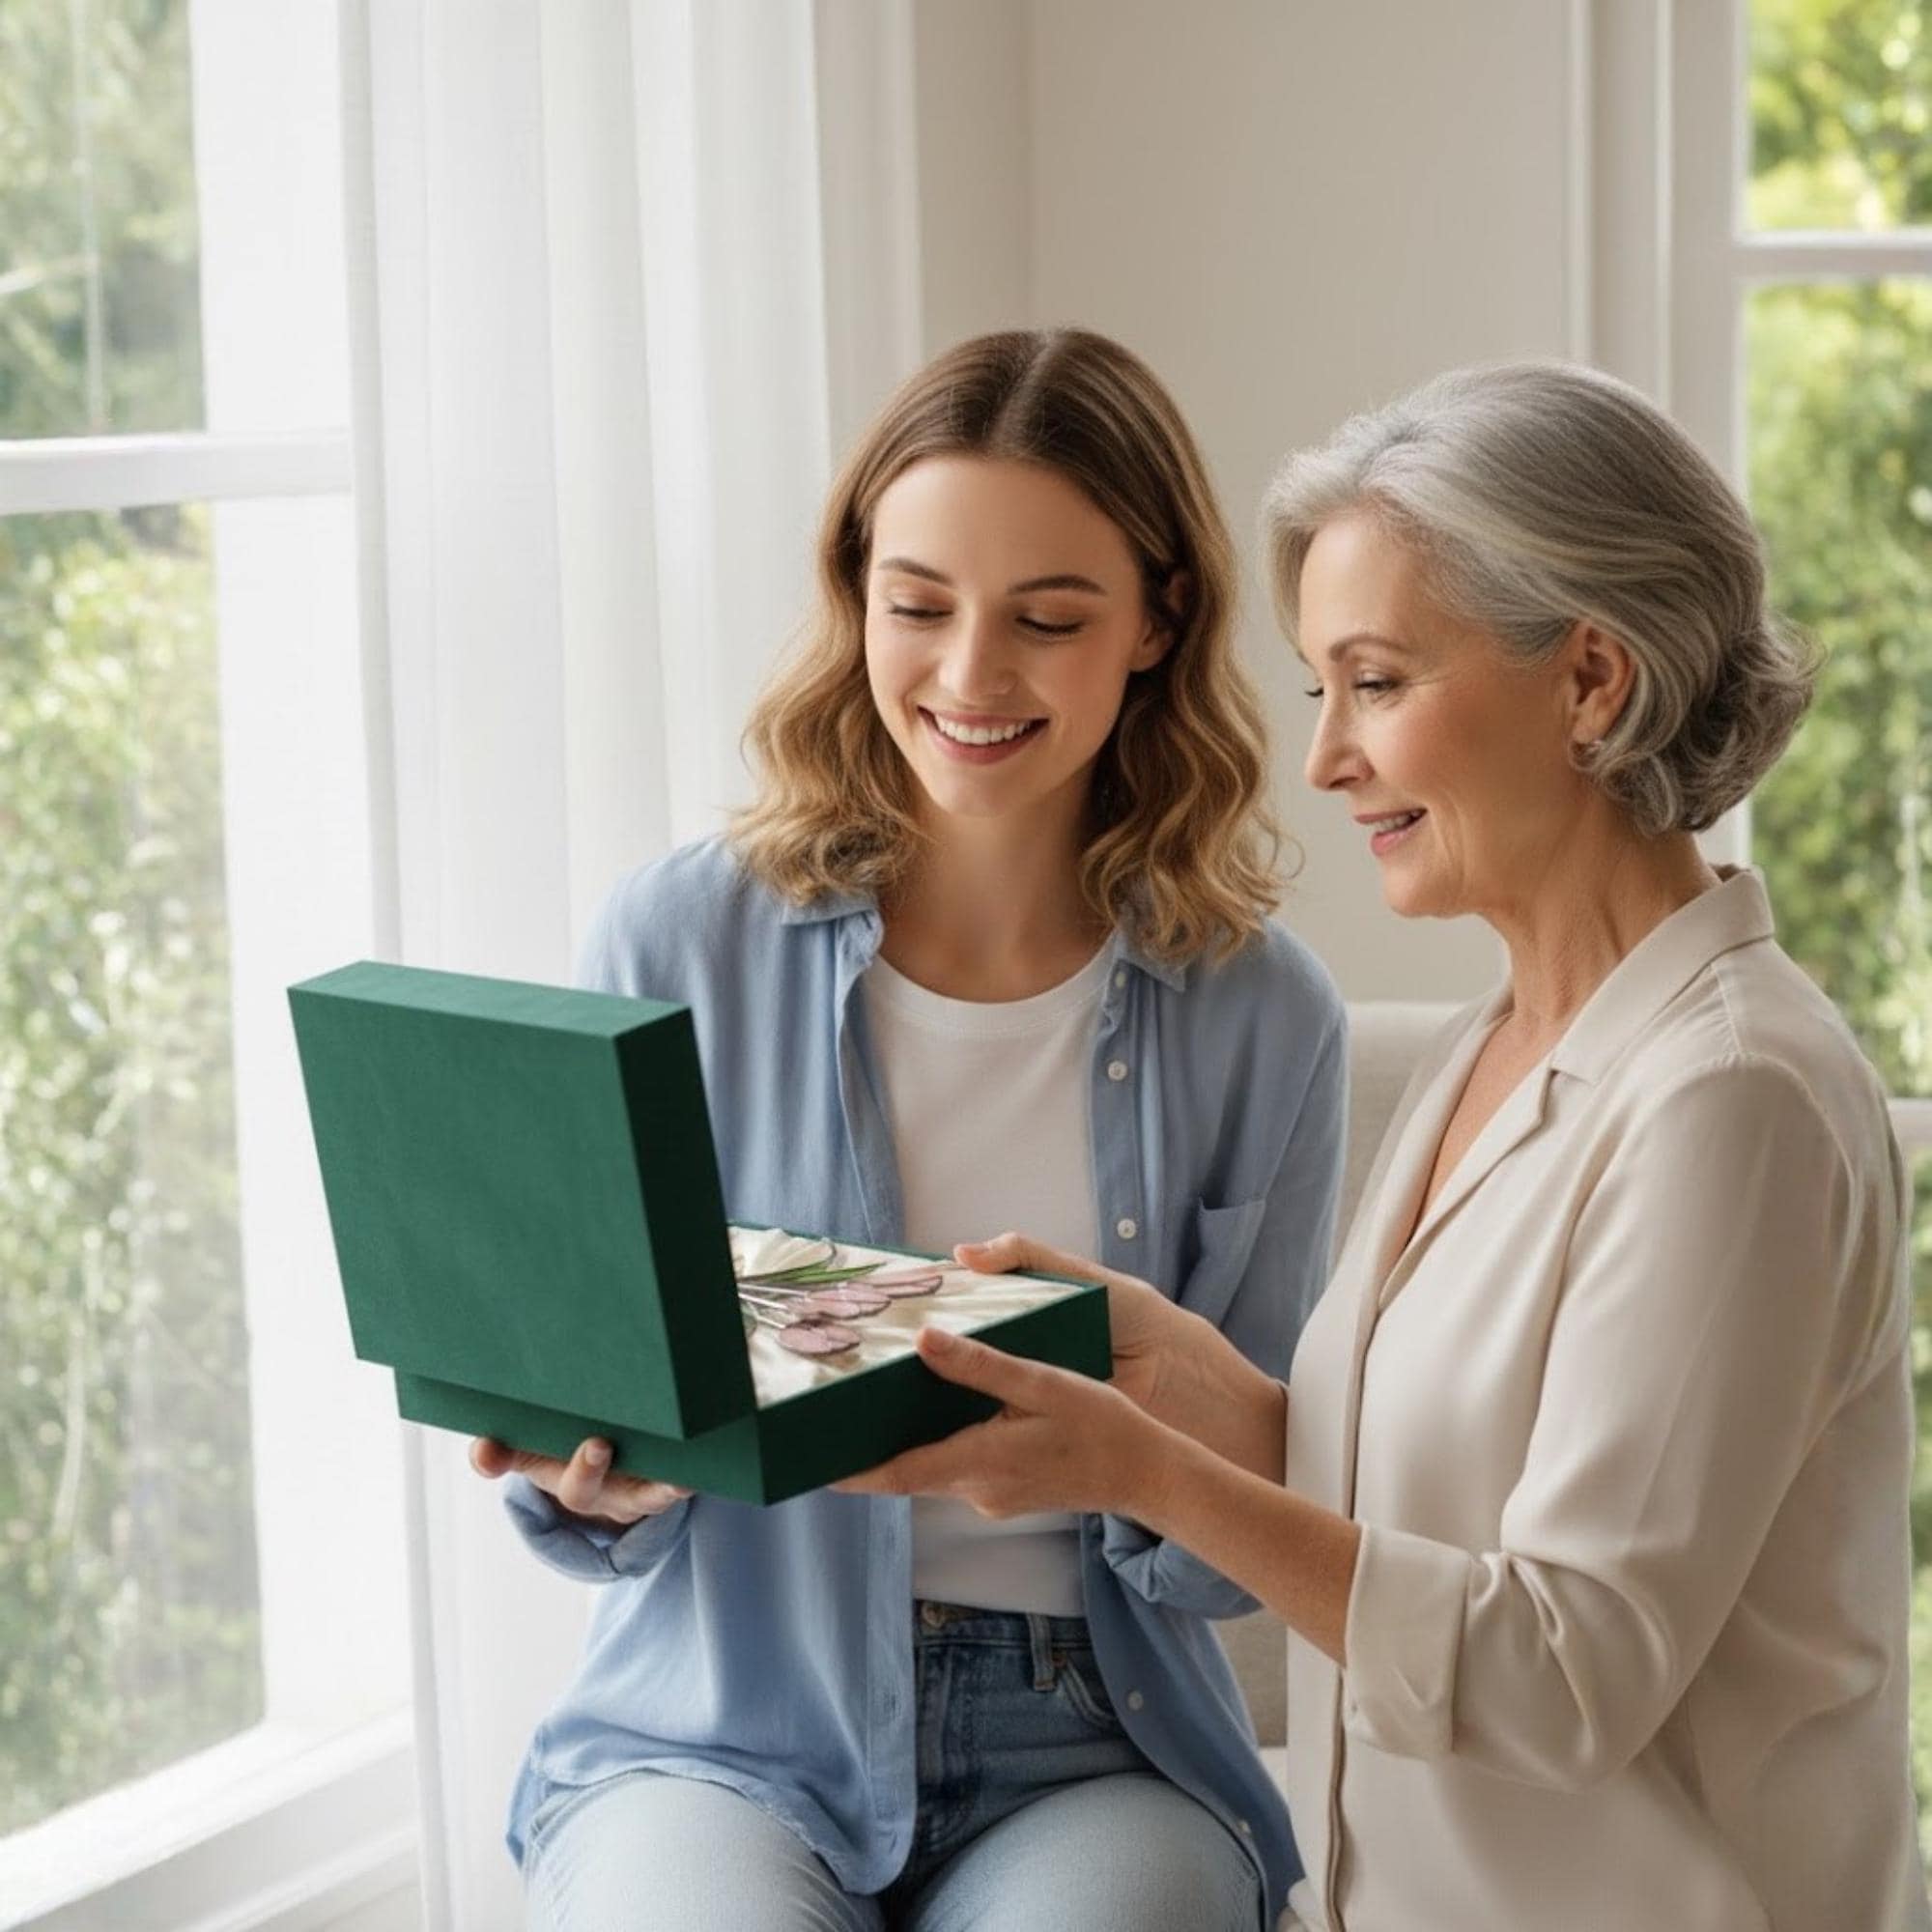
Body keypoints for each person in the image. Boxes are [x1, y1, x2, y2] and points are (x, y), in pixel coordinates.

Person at [846, 361, 1929, 1931]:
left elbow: (1568, 1673)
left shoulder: (1731, 1101)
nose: (1326, 759)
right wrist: (1185, 1383)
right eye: (1319, 691)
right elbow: (1429, 1505)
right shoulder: (1503, 1040)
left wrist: (1142, 1471)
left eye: (1379, 682)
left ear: (1591, 684)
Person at [469, 327, 1349, 1931]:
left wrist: (1136, 1458)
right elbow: (586, 1458)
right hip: (724, 1727)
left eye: (1048, 619)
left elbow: (1259, 1519)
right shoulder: (677, 944)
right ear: (856, 594)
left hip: (1098, 1747)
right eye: (919, 605)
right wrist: (597, 1477)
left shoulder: (1266, 1015)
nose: (968, 677)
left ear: (1157, 621)